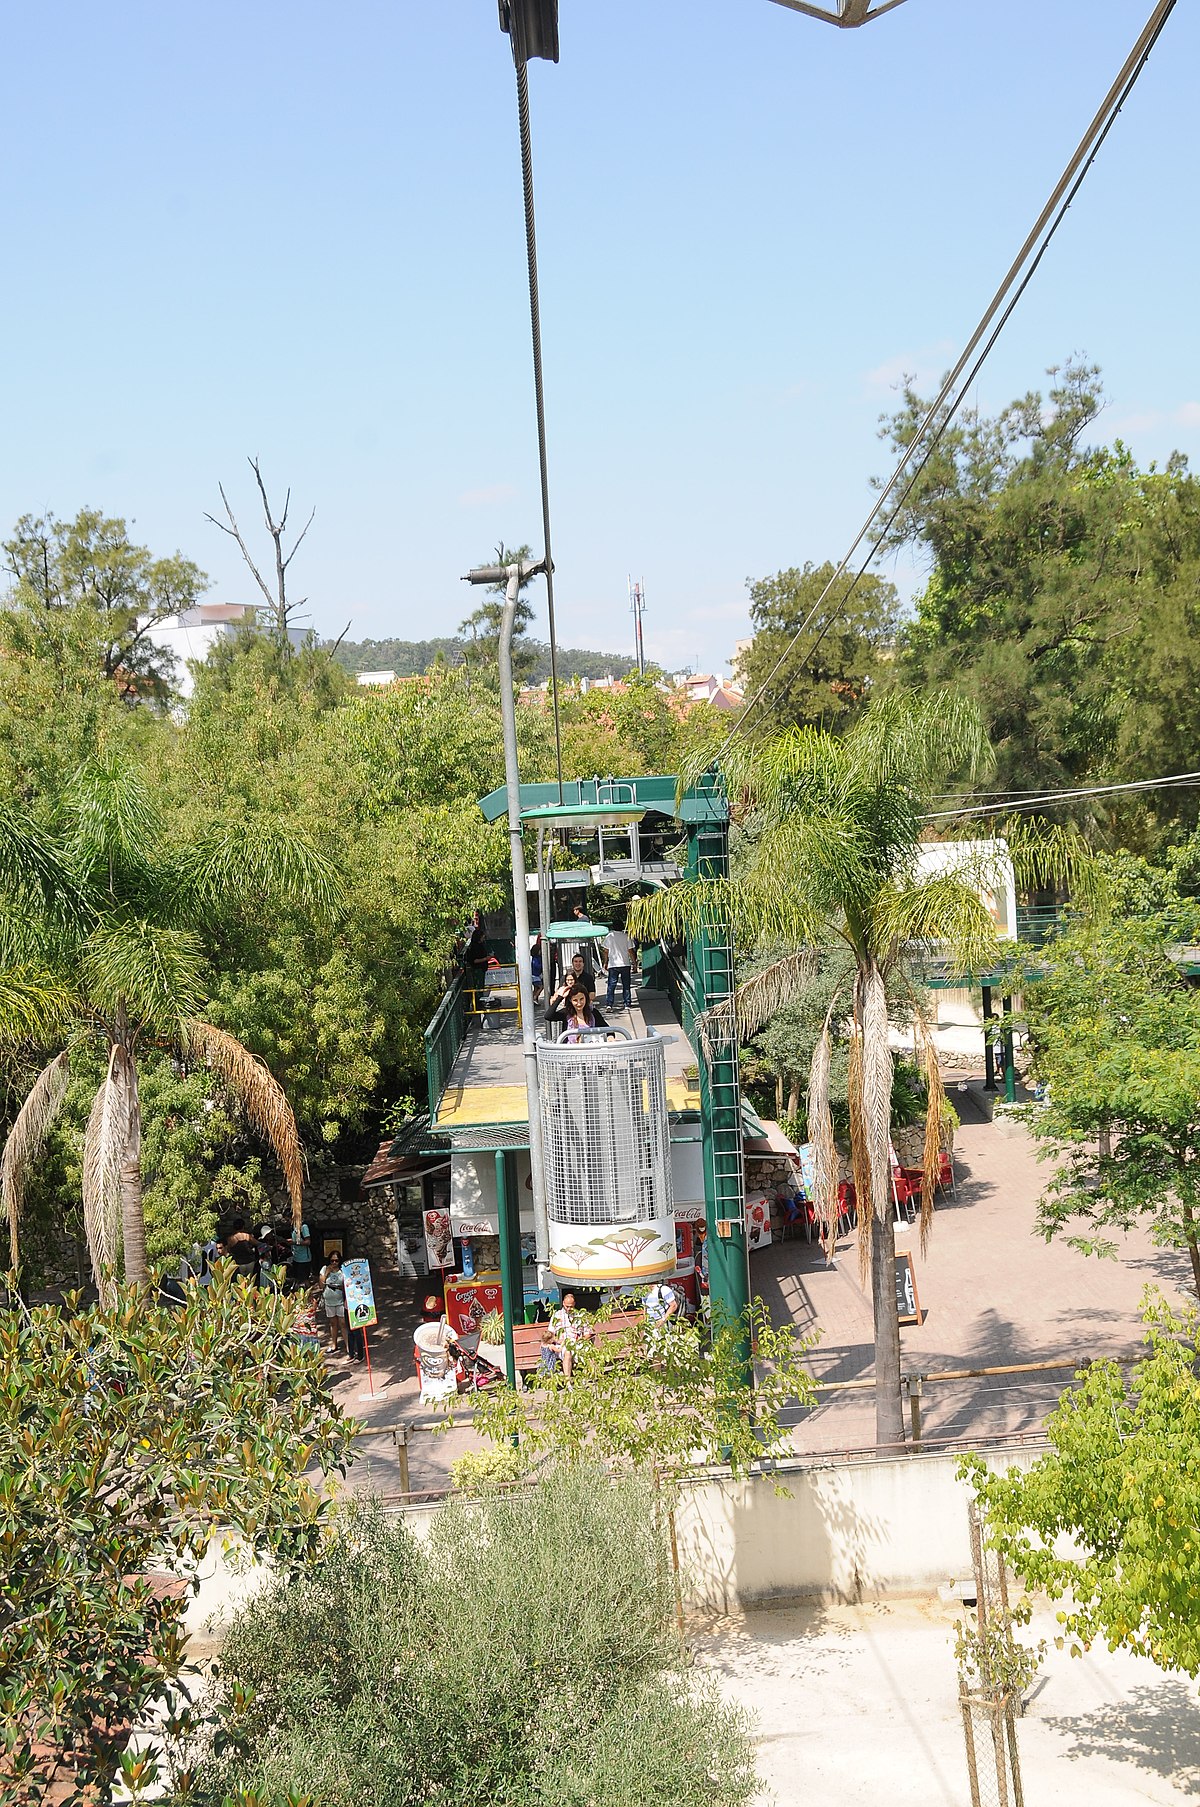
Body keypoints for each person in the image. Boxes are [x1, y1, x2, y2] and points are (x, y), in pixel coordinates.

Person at [542, 1291, 593, 1380]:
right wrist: (558, 1341)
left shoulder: (580, 1315)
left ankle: (590, 1378)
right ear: (563, 1303)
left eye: (571, 1306)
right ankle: (568, 1382)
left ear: (574, 1304)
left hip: (578, 1343)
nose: (569, 1309)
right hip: (562, 1345)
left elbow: (588, 1333)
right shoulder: (556, 1315)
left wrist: (581, 1340)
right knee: (567, 1352)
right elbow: (550, 1334)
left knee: (588, 1352)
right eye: (567, 1306)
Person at [546, 951, 595, 1018]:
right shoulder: (564, 977)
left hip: (583, 1007)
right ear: (572, 963)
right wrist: (554, 999)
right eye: (576, 961)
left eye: (580, 961)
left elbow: (592, 994)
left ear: (583, 964)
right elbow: (558, 992)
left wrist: (582, 1001)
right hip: (567, 1007)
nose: (578, 963)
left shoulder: (588, 977)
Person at [462, 910, 491, 1024]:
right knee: (478, 988)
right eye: (483, 937)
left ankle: (479, 1004)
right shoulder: (475, 947)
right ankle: (478, 1005)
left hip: (482, 969)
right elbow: (474, 960)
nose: (484, 938)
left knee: (481, 987)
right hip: (478, 969)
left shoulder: (480, 945)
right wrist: (486, 959)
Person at [602, 915, 634, 1011]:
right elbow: (631, 951)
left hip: (613, 964)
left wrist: (605, 962)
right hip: (625, 963)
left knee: (611, 985)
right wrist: (634, 963)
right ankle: (627, 1003)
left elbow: (605, 951)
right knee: (626, 985)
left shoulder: (609, 937)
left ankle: (609, 1004)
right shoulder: (626, 936)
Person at [320, 1251, 349, 1356]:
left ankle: (348, 1346)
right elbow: (321, 1285)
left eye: (336, 1260)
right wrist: (327, 1272)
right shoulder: (324, 1269)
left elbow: (348, 1286)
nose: (334, 1263)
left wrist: (338, 1287)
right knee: (333, 1323)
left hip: (340, 1300)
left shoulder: (343, 1271)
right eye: (332, 1260)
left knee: (343, 1323)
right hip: (329, 1301)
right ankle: (334, 1344)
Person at [644, 1279, 681, 1353]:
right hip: (648, 1326)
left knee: (664, 1350)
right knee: (650, 1352)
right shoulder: (643, 1292)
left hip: (662, 1324)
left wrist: (663, 1319)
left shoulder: (663, 1289)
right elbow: (644, 1308)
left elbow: (673, 1305)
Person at [289, 1216, 313, 1290]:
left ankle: (309, 1295)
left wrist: (294, 1242)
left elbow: (308, 1242)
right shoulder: (293, 1228)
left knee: (305, 1279)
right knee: (297, 1278)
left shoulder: (303, 1227)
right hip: (296, 1257)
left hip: (304, 1258)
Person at [530, 933, 544, 1003]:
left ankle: (533, 998)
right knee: (541, 987)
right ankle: (535, 997)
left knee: (536, 988)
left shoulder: (536, 958)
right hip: (535, 976)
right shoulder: (535, 959)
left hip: (536, 975)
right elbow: (537, 966)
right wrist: (542, 965)